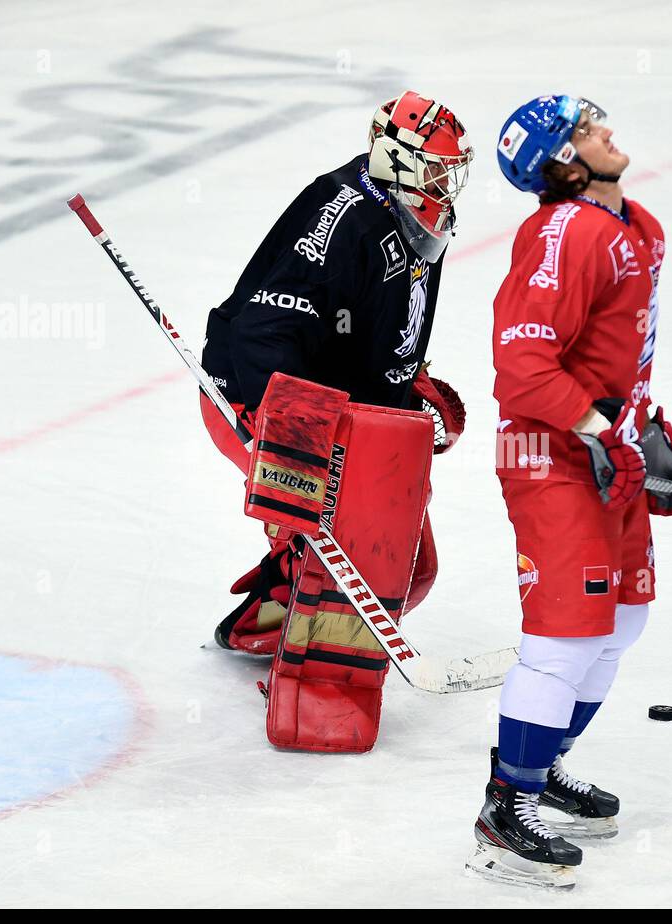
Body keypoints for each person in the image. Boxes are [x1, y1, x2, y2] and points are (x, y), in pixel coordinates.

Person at [466, 95, 672, 887]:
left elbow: (620, 361)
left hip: (609, 452)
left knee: (623, 621)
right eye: (583, 131)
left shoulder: (638, 229)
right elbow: (522, 366)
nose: (605, 131)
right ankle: (507, 807)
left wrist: (649, 433)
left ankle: (544, 764)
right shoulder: (566, 233)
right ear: (562, 165)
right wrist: (599, 432)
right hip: (553, 453)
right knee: (566, 635)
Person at [200, 91, 471, 752]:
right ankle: (309, 687)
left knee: (415, 567)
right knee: (359, 564)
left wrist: (408, 389)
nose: (446, 183)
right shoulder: (341, 213)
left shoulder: (410, 216)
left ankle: (268, 620)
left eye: (451, 169)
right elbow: (270, 326)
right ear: (394, 159)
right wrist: (287, 432)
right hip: (271, 407)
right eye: (434, 168)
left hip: (353, 417)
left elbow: (367, 330)